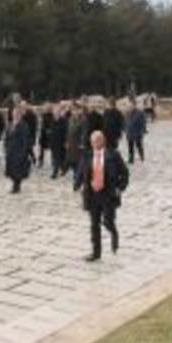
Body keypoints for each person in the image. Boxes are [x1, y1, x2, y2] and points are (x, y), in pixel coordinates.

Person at [74, 131, 129, 262]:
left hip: (108, 193)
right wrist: (77, 184)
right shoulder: (87, 155)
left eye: (98, 140)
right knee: (94, 224)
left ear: (103, 141)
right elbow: (80, 172)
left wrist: (120, 188)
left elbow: (125, 173)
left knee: (108, 221)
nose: (95, 143)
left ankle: (113, 232)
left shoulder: (113, 155)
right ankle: (96, 253)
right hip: (92, 193)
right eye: (93, 141)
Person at [5, 106, 32, 193]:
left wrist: (24, 151)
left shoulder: (24, 125)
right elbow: (7, 137)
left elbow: (25, 139)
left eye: (17, 114)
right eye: (14, 113)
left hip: (19, 150)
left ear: (20, 115)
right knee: (11, 169)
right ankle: (15, 184)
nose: (15, 115)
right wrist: (6, 147)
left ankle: (16, 186)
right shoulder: (10, 124)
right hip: (10, 150)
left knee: (18, 169)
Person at [49, 103, 69, 179]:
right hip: (54, 142)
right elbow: (51, 132)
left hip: (61, 142)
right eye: (55, 111)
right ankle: (61, 169)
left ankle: (55, 172)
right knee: (56, 158)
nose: (56, 113)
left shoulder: (63, 120)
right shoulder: (52, 120)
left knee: (58, 158)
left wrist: (66, 141)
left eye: (57, 111)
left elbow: (66, 132)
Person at [65, 102, 84, 177]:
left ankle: (78, 175)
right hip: (71, 142)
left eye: (76, 110)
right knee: (71, 159)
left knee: (78, 160)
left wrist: (82, 143)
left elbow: (84, 132)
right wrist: (67, 141)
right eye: (73, 110)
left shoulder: (83, 120)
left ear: (79, 110)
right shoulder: (70, 119)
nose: (74, 112)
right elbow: (68, 131)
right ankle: (75, 173)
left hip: (78, 142)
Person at [22, 102, 39, 166]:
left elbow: (33, 126)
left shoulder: (31, 115)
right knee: (27, 148)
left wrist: (33, 136)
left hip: (29, 134)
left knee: (28, 148)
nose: (23, 107)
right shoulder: (23, 114)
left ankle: (32, 159)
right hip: (24, 134)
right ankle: (32, 159)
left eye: (24, 106)